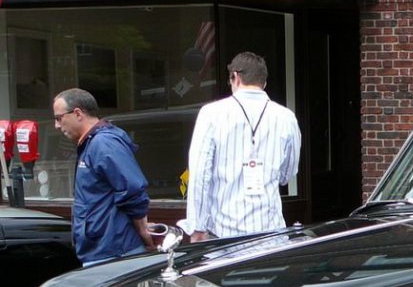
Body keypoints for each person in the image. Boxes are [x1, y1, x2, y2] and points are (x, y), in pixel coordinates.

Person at [181, 51, 301, 242]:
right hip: (271, 232)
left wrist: (197, 226)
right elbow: (287, 175)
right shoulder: (286, 117)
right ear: (264, 83)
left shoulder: (211, 114)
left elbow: (200, 175)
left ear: (235, 77)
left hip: (223, 233)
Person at [52, 88, 154, 266]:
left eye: (59, 118)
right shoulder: (91, 143)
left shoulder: (103, 143)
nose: (57, 125)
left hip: (115, 253)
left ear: (77, 113)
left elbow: (132, 189)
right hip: (102, 251)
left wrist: (143, 230)